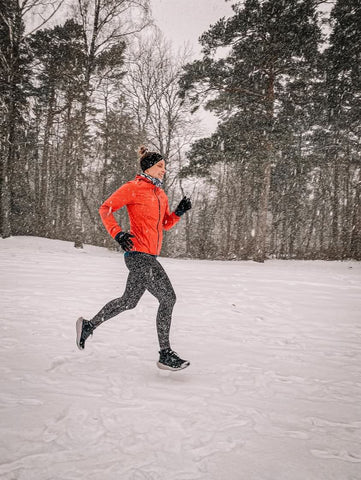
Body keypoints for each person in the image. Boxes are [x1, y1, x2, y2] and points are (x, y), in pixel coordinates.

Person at [76, 146, 192, 371]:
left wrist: (178, 212)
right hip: (138, 254)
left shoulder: (160, 194)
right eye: (160, 166)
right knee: (168, 299)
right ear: (148, 167)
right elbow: (105, 208)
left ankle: (88, 326)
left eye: (164, 167)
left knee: (129, 301)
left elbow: (164, 224)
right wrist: (118, 234)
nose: (163, 171)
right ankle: (165, 354)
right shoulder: (134, 188)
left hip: (149, 255)